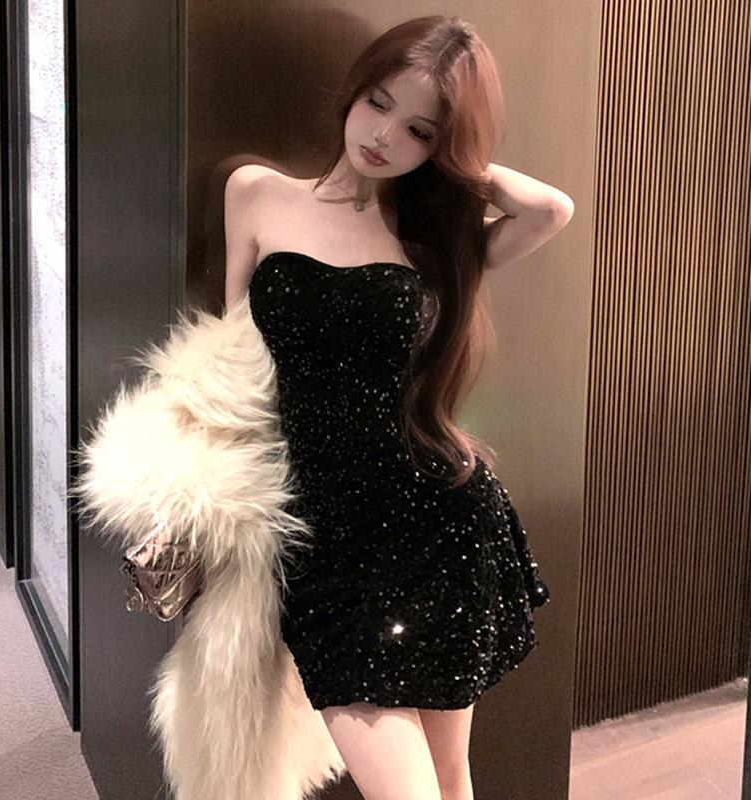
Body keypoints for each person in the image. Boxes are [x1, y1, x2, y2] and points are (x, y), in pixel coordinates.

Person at [223, 15, 572, 800]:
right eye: (378, 103)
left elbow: (550, 210)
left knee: (449, 779)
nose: (383, 136)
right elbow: (230, 362)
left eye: (418, 129)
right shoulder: (255, 194)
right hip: (323, 538)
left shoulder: (433, 239)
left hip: (436, 522)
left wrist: (462, 168)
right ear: (353, 91)